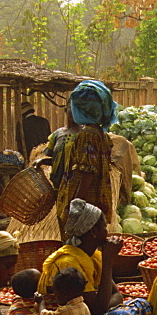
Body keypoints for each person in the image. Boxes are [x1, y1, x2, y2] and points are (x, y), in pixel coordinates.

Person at [39, 199, 155, 315]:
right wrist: (108, 261)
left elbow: (115, 294)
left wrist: (106, 304)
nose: (107, 231)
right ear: (94, 231)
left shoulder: (93, 255)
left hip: (91, 314)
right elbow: (97, 309)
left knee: (144, 305)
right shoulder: (68, 262)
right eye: (104, 227)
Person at [40, 80, 119, 232]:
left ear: (82, 110)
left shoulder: (86, 136)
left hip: (84, 202)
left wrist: (76, 203)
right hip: (96, 200)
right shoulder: (101, 135)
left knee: (76, 242)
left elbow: (86, 173)